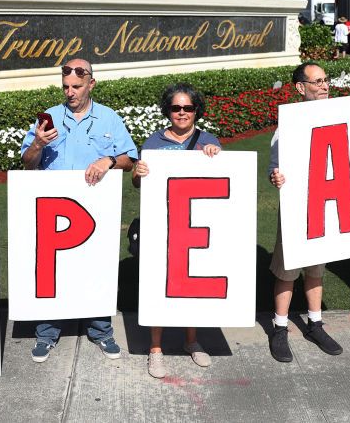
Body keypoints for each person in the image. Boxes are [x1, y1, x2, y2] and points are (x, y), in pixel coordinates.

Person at [20, 58, 137, 363]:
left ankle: (100, 330)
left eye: (76, 87)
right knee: (52, 270)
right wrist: (37, 144)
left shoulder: (109, 119)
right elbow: (27, 162)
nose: (70, 92)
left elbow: (130, 159)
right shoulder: (50, 118)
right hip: (54, 209)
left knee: (96, 266)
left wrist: (108, 161)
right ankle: (47, 333)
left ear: (91, 84)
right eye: (65, 87)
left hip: (95, 209)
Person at [267, 62, 350, 362]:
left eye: (325, 79)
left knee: (316, 268)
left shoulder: (344, 116)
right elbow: (274, 168)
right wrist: (276, 177)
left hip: (327, 204)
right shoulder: (288, 125)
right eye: (316, 81)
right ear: (300, 87)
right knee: (287, 269)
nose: (324, 85)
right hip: (298, 207)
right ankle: (280, 328)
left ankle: (315, 324)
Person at [132, 83, 222, 379]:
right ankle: (155, 348)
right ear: (167, 110)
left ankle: (190, 340)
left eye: (188, 108)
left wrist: (216, 154)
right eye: (176, 108)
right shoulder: (154, 142)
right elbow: (137, 182)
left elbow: (222, 179)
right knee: (159, 282)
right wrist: (137, 173)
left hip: (195, 225)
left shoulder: (208, 140)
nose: (181, 113)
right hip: (162, 222)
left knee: (190, 282)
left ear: (197, 110)